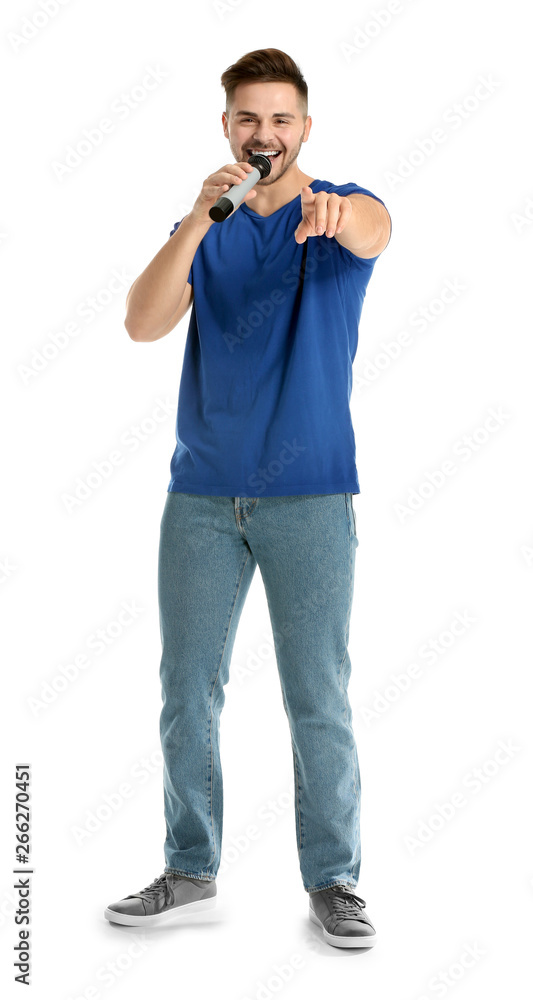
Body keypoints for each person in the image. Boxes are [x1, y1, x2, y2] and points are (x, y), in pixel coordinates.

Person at [104, 47, 391, 949]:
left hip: (307, 497)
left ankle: (334, 879)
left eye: (279, 120)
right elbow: (143, 322)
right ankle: (190, 868)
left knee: (318, 695)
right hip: (200, 496)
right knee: (187, 690)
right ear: (226, 126)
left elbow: (375, 230)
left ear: (304, 127)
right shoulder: (212, 223)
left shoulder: (334, 207)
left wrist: (340, 214)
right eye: (246, 119)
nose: (263, 134)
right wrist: (195, 219)